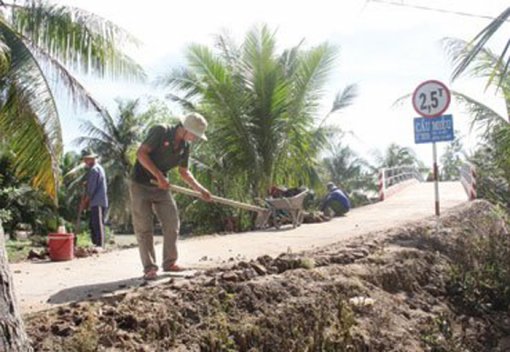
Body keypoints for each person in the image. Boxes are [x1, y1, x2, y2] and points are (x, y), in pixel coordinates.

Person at [130, 112, 212, 280]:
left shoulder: (185, 146)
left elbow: (184, 172)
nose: (195, 139)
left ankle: (169, 262)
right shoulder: (161, 131)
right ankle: (150, 268)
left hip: (162, 187)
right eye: (194, 135)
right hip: (140, 184)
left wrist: (200, 190)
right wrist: (159, 175)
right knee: (144, 227)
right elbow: (141, 154)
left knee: (172, 222)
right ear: (184, 129)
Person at [80, 151, 108, 249]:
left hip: (97, 201)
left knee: (98, 223)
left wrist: (85, 202)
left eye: (86, 159)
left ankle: (100, 245)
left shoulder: (94, 170)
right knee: (93, 223)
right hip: (97, 201)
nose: (85, 162)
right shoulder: (98, 169)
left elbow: (91, 190)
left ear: (91, 159)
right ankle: (97, 244)